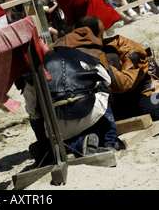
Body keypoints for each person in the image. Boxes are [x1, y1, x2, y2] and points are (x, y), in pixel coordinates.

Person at [19, 15, 120, 164]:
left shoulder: (33, 73)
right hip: (87, 114)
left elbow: (32, 112)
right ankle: (109, 141)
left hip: (55, 127)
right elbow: (108, 79)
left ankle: (49, 150)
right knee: (103, 88)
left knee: (35, 116)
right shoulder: (80, 55)